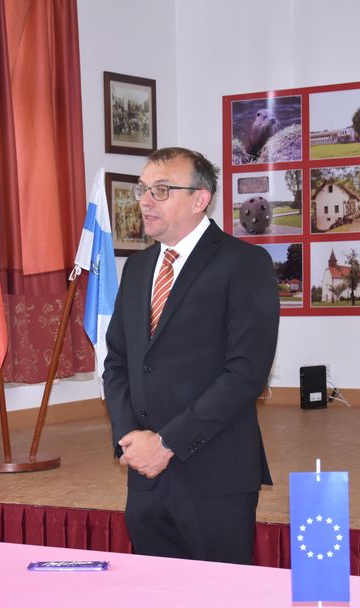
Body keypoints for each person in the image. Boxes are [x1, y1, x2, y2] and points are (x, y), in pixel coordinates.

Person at [103, 147, 280, 564]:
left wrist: (166, 444)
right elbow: (117, 363)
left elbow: (245, 374)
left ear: (200, 199)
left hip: (213, 476)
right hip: (145, 478)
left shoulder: (245, 264)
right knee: (156, 596)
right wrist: (133, 441)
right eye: (142, 190)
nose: (146, 201)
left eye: (161, 190)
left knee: (219, 599)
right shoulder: (137, 268)